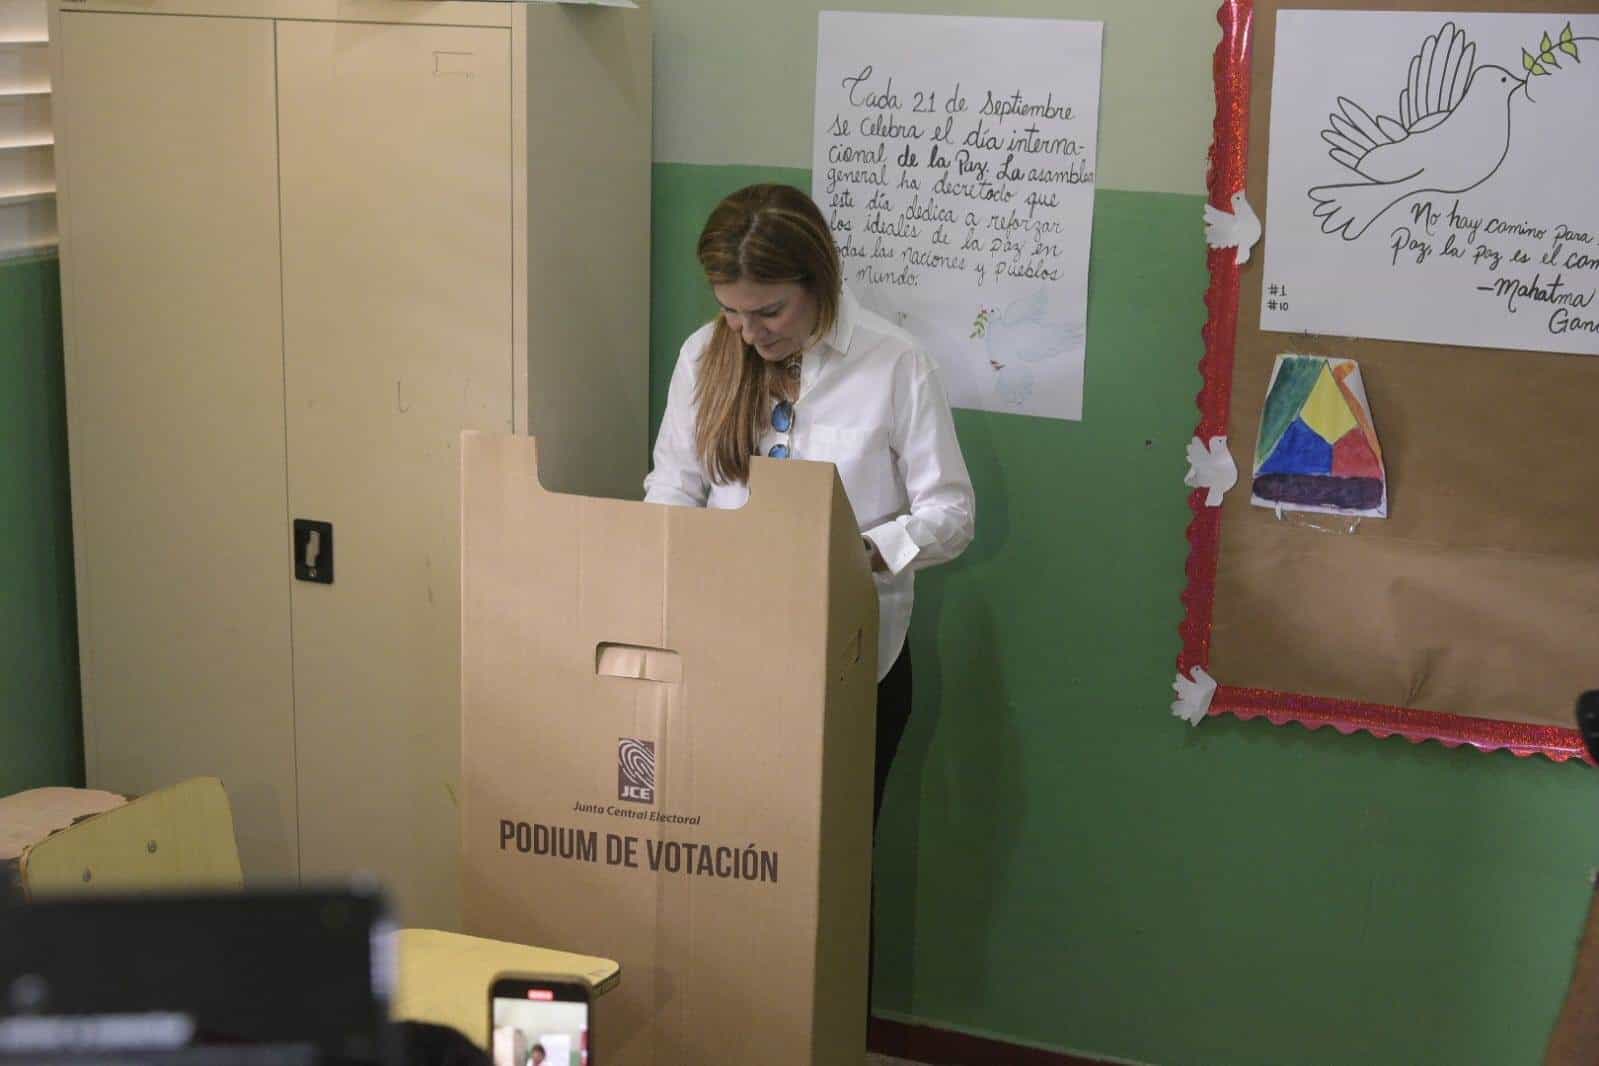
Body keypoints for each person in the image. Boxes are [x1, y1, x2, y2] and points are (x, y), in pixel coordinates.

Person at [644, 182, 976, 830]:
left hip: (852, 661)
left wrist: (864, 553)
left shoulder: (896, 365)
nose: (748, 333)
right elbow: (673, 486)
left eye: (768, 311)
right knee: (727, 857)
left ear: (816, 279)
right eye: (732, 312)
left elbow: (952, 513)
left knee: (833, 871)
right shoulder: (702, 354)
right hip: (724, 651)